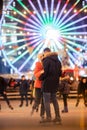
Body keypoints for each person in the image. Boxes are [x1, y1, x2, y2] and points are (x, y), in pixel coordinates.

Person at [39, 47, 62, 123]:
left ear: (46, 52)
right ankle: (58, 117)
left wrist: (40, 77)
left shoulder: (46, 60)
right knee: (55, 100)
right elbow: (60, 73)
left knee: (46, 101)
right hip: (55, 83)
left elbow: (46, 72)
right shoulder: (58, 61)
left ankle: (48, 117)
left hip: (47, 83)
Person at [31, 53, 45, 121]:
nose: (41, 57)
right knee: (37, 100)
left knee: (44, 102)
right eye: (40, 57)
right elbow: (35, 75)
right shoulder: (37, 65)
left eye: (42, 56)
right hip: (38, 85)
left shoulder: (46, 64)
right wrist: (41, 72)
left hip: (45, 85)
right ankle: (34, 107)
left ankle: (42, 115)